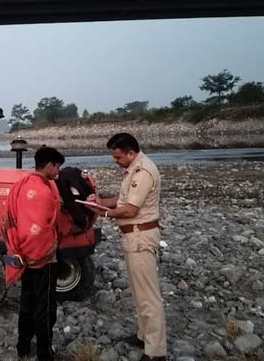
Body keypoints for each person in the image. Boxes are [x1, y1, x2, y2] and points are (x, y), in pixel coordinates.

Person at [86, 133, 167, 361]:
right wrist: (99, 202)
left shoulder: (143, 172)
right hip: (134, 237)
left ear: (131, 152)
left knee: (148, 295)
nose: (116, 161)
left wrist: (104, 213)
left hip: (141, 236)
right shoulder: (133, 170)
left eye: (118, 157)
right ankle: (144, 336)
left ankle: (156, 351)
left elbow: (130, 210)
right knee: (139, 291)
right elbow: (123, 200)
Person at [2, 146, 64, 361]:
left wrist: (22, 251)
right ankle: (45, 354)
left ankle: (23, 348)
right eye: (57, 167)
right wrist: (44, 251)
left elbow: (10, 219)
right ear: (49, 165)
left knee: (27, 303)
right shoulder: (46, 192)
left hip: (22, 255)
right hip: (42, 258)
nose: (58, 172)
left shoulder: (20, 185)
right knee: (45, 307)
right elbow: (42, 229)